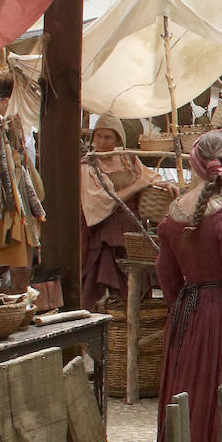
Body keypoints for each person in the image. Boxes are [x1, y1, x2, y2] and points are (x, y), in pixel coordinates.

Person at [155, 130, 222, 442]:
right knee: (212, 396)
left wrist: (182, 307)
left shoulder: (174, 212)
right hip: (220, 315)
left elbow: (167, 277)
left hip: (186, 314)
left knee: (184, 393)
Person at [80, 115, 176, 309]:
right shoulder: (89, 165)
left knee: (135, 285)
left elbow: (149, 178)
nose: (101, 142)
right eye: (98, 136)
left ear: (118, 139)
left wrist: (164, 185)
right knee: (102, 285)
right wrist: (136, 186)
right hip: (105, 231)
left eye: (107, 137)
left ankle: (129, 325)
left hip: (132, 229)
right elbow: (100, 201)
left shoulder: (128, 158)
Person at [0, 77, 45, 291]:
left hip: (18, 193)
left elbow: (17, 158)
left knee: (19, 242)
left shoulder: (21, 124)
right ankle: (0, 290)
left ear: (7, 101)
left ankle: (20, 291)